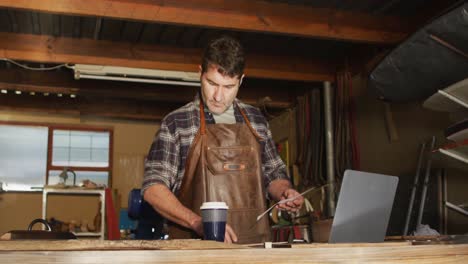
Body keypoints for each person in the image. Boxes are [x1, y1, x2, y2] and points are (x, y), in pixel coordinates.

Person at [142, 35, 303, 244]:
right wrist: (198, 223)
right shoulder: (177, 123)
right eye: (212, 83)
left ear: (241, 80)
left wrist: (284, 192)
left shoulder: (257, 121)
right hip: (194, 250)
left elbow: (273, 174)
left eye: (229, 87)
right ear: (200, 73)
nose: (218, 96)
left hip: (253, 247)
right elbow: (153, 189)